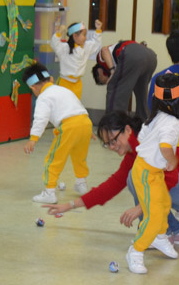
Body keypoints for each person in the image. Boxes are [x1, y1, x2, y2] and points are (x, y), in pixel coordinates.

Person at [49, 111, 179, 248]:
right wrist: (69, 205)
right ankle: (175, 232)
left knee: (138, 178)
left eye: (114, 140)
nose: (112, 147)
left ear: (127, 130)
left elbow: (169, 179)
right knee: (136, 177)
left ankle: (155, 233)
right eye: (107, 144)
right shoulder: (135, 153)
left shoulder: (149, 143)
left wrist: (141, 207)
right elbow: (110, 187)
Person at [122, 73, 179, 273]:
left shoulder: (155, 116)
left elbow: (142, 137)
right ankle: (136, 250)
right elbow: (165, 146)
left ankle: (159, 237)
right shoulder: (173, 122)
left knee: (164, 203)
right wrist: (172, 161)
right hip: (145, 173)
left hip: (149, 170)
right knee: (154, 214)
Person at [22, 62, 93, 204]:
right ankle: (81, 183)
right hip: (85, 123)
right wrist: (86, 130)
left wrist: (33, 138)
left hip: (69, 127)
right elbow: (77, 106)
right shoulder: (64, 90)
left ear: (33, 87)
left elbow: (40, 119)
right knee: (79, 157)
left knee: (54, 159)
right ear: (51, 79)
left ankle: (49, 192)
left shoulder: (43, 97)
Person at [96, 38, 158, 120]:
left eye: (103, 81)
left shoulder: (100, 60)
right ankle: (144, 122)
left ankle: (114, 123)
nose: (106, 81)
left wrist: (112, 71)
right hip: (151, 56)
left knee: (114, 87)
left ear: (99, 72)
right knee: (141, 92)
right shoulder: (120, 64)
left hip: (135, 55)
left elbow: (104, 50)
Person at [48, 19, 103, 99]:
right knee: (63, 104)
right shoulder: (65, 48)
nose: (85, 38)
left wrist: (98, 30)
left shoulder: (86, 47)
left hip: (77, 84)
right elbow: (54, 44)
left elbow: (96, 44)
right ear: (75, 36)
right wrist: (59, 33)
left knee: (75, 104)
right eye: (84, 35)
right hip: (64, 83)